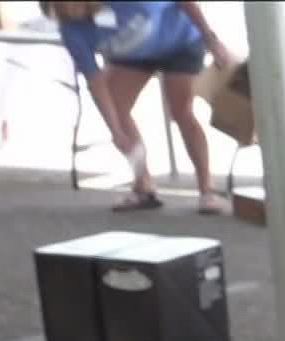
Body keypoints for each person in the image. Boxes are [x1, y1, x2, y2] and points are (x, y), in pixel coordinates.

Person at [49, 1, 235, 214]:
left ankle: (207, 190)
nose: (68, 10)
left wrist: (211, 39)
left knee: (181, 111)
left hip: (179, 41)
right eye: (59, 6)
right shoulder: (71, 29)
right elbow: (95, 82)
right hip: (132, 55)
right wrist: (116, 132)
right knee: (117, 107)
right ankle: (143, 185)